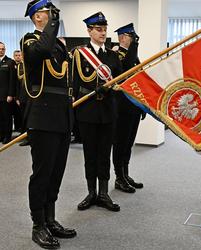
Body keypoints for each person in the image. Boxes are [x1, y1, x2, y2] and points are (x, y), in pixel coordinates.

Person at [22, 0, 76, 248]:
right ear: (37, 17)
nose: (53, 15)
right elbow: (41, 52)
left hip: (62, 117)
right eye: (47, 12)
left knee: (56, 173)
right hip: (42, 117)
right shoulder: (30, 41)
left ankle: (51, 218)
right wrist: (53, 24)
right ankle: (38, 225)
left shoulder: (58, 45)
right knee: (42, 174)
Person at [72, 12, 122, 212]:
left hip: (108, 111)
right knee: (89, 153)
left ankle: (104, 193)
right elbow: (74, 82)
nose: (103, 33)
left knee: (104, 153)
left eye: (104, 29)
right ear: (89, 31)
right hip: (88, 111)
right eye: (98, 29)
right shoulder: (79, 54)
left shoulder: (112, 55)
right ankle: (91, 192)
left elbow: (120, 81)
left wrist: (109, 88)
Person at [112, 23, 145, 193]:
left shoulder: (133, 56)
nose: (134, 42)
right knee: (120, 143)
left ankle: (125, 173)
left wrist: (142, 106)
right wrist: (134, 47)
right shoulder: (116, 54)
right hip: (122, 109)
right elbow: (125, 68)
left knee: (129, 143)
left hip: (133, 107)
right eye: (132, 38)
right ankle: (119, 177)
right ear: (123, 37)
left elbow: (138, 79)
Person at [0, 42, 16, 144]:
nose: (1, 50)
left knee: (7, 117)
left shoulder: (10, 62)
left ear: (5, 50)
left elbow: (12, 80)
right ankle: (1, 135)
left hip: (6, 96)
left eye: (3, 49)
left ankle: (7, 136)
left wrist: (11, 94)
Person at [14, 50, 30, 146]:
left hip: (32, 95)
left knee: (30, 118)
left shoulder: (32, 65)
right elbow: (17, 83)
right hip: (23, 96)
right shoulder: (20, 66)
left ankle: (30, 137)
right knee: (24, 117)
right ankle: (24, 135)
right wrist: (17, 97)